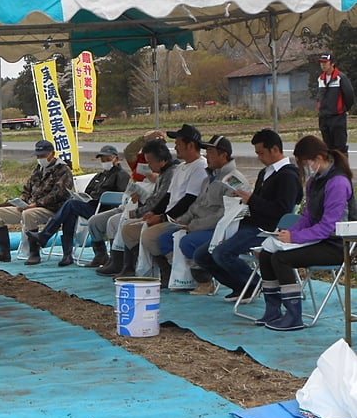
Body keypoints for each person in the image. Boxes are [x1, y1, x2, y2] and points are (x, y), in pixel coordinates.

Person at [256, 135, 355, 331]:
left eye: (305, 163)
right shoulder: (314, 181)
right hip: (319, 239)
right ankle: (273, 310)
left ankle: (294, 316)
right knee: (267, 254)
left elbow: (329, 226)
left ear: (319, 158)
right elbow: (307, 217)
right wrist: (286, 233)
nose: (305, 168)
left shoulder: (338, 183)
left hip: (338, 245)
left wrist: (294, 238)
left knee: (281, 259)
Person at [193, 129, 303, 301]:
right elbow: (258, 201)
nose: (259, 157)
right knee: (202, 254)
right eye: (257, 153)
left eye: (261, 153)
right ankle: (240, 286)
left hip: (266, 228)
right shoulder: (265, 172)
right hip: (248, 222)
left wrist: (252, 200)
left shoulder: (288, 176)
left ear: (274, 149)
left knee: (222, 254)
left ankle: (255, 284)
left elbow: (281, 210)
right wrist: (244, 200)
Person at [149, 135, 248, 290]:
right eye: (206, 151)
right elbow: (196, 206)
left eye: (210, 152)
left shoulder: (233, 180)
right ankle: (183, 277)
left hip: (221, 229)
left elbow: (225, 214)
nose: (206, 155)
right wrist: (183, 221)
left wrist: (193, 226)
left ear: (223, 155)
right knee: (165, 238)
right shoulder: (209, 178)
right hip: (199, 225)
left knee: (188, 241)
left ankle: (204, 280)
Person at [119, 124, 207, 278]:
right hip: (169, 215)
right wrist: (153, 212)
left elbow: (189, 200)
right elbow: (167, 196)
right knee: (128, 229)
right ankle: (143, 267)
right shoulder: (181, 168)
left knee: (149, 236)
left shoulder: (200, 167)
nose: (175, 147)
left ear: (191, 145)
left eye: (178, 144)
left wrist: (161, 217)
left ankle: (168, 271)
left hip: (184, 218)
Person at [25, 144, 129, 267]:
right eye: (102, 159)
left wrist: (101, 198)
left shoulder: (122, 175)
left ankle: (45, 236)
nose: (104, 162)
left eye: (107, 159)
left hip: (106, 209)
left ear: (116, 159)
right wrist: (84, 197)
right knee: (70, 211)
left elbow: (121, 196)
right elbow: (88, 191)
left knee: (70, 205)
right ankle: (68, 255)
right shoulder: (99, 176)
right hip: (91, 206)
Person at [83, 130, 165, 269]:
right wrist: (144, 138)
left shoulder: (165, 168)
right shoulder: (140, 161)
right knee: (95, 221)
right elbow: (129, 151)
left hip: (143, 207)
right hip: (126, 204)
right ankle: (106, 256)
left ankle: (121, 262)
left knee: (113, 222)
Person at [98, 137, 179, 276]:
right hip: (150, 210)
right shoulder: (164, 173)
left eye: (150, 163)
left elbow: (160, 200)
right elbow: (156, 199)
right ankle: (124, 264)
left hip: (165, 215)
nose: (149, 167)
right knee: (123, 226)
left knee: (131, 227)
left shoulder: (170, 173)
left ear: (161, 160)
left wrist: (139, 212)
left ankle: (159, 270)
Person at [0, 140, 74, 263]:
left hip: (52, 209)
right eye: (38, 156)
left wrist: (35, 204)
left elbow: (59, 194)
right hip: (29, 206)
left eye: (42, 156)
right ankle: (4, 252)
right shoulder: (38, 169)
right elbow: (27, 189)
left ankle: (34, 253)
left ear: (52, 154)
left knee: (29, 214)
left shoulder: (63, 170)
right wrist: (21, 203)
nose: (40, 158)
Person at [316, 53, 354, 154]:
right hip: (324, 118)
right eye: (321, 63)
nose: (323, 65)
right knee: (328, 148)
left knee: (340, 148)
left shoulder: (340, 78)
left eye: (325, 63)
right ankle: (331, 169)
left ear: (332, 63)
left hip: (337, 118)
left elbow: (349, 96)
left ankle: (342, 169)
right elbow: (319, 96)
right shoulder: (320, 79)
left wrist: (343, 108)